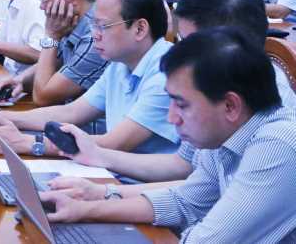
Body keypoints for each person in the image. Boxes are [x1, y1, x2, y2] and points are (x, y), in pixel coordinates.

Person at [41, 28, 296, 243]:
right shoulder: (225, 134)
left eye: (181, 104)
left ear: (230, 106)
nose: (172, 118)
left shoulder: (278, 145)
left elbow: (205, 241)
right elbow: (185, 201)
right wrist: (84, 209)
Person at [48, 0, 296, 197]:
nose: (180, 52)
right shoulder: (223, 83)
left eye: (188, 43)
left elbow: (207, 204)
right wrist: (101, 192)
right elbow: (187, 170)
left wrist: (104, 192)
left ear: (228, 46)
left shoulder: (273, 122)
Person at [0, 0, 178, 156]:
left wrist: (28, 143)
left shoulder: (166, 74)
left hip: (135, 183)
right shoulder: (120, 64)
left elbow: (114, 143)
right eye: (93, 25)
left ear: (140, 29)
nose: (95, 35)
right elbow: (71, 112)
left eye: (103, 26)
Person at [0, 0, 107, 110]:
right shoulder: (71, 23)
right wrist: (19, 80)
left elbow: (42, 97)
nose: (41, 6)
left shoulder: (95, 38)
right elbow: (56, 62)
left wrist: (51, 35)